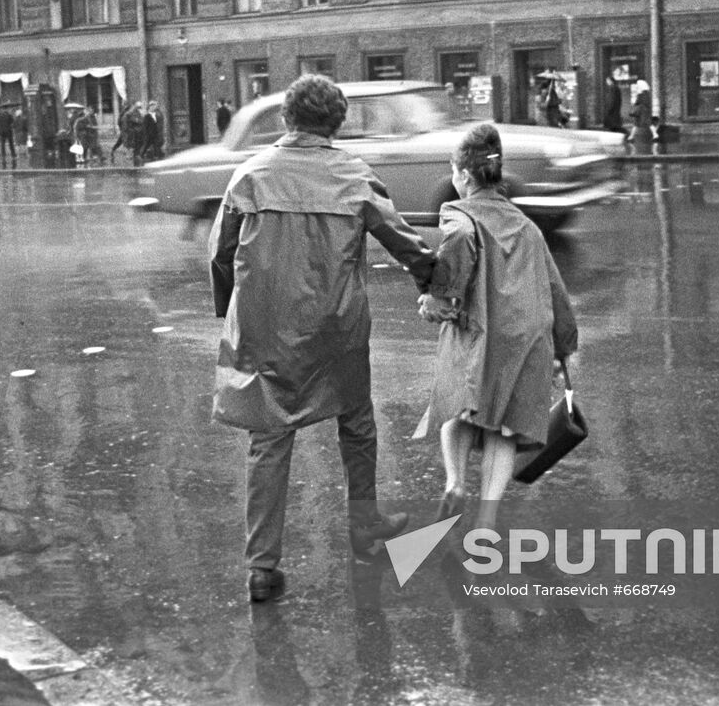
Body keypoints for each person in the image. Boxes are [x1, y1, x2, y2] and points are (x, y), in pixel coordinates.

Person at [209, 75, 437, 603]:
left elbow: (220, 256)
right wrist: (437, 278)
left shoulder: (250, 176)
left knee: (269, 439)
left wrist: (231, 314)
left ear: (287, 119)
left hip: (265, 331)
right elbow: (404, 242)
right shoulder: (353, 175)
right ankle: (365, 530)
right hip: (338, 327)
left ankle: (262, 567)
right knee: (356, 425)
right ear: (336, 123)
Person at [414, 123, 578, 532]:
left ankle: (454, 485)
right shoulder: (526, 225)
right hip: (528, 340)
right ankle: (486, 519)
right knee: (505, 426)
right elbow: (556, 289)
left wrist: (436, 298)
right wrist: (564, 346)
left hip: (478, 333)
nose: (453, 179)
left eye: (453, 171)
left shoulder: (458, 213)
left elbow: (456, 253)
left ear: (465, 176)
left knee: (457, 404)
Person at [629, 79, 652, 149]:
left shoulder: (641, 94)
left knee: (637, 124)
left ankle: (631, 136)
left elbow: (636, 102)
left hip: (640, 112)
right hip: (644, 111)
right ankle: (631, 136)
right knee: (643, 124)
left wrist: (633, 100)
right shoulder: (647, 93)